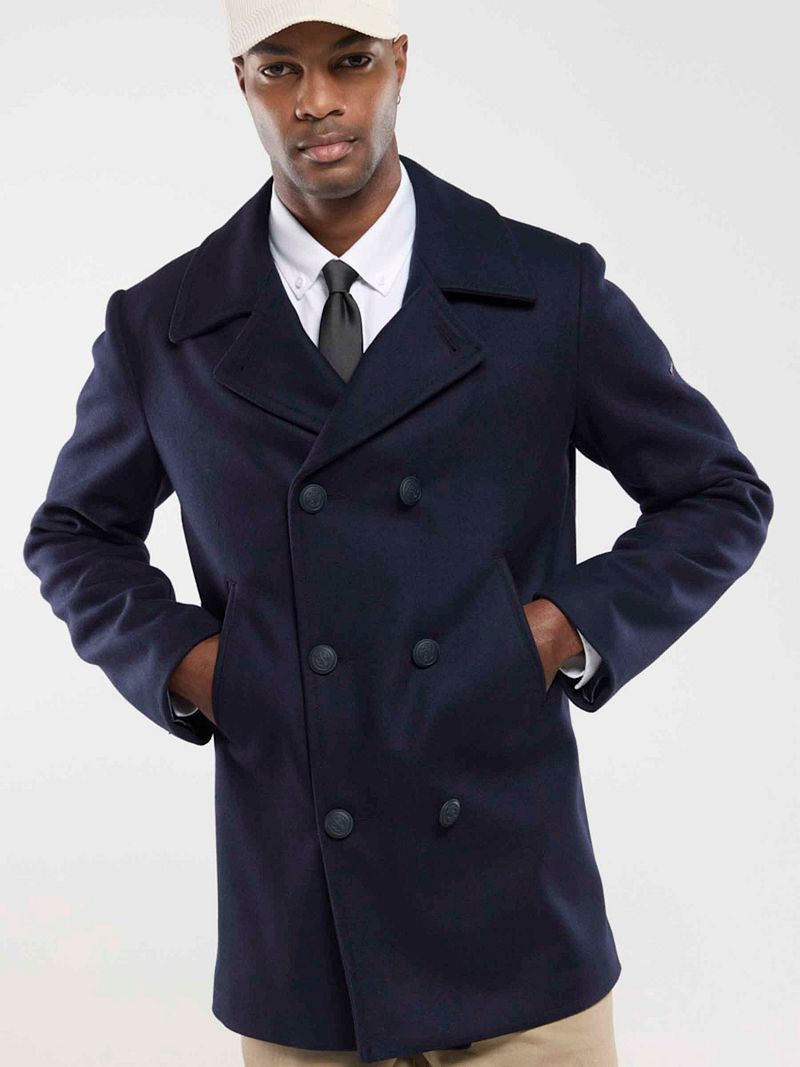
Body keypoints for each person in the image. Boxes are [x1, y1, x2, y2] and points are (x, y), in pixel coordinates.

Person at [22, 2, 774, 1064]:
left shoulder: (542, 288)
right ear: (239, 78)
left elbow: (715, 493)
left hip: (516, 916)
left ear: (400, 62)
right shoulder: (163, 324)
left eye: (350, 60)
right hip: (300, 926)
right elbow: (74, 533)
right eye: (279, 68)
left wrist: (553, 632)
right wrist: (196, 665)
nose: (316, 100)